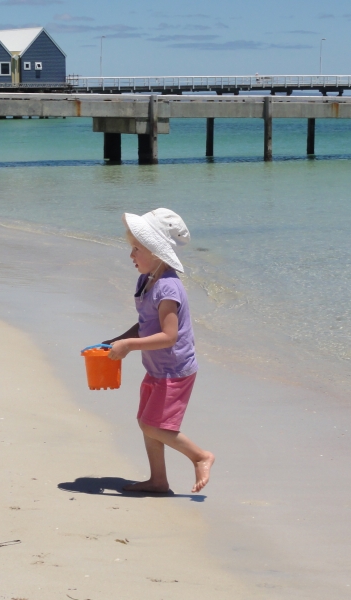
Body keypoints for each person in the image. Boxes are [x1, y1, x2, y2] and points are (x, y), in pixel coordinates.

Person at [104, 209, 214, 494]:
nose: (131, 255)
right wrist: (117, 340)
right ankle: (158, 480)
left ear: (156, 252)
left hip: (175, 369)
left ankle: (200, 456)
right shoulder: (146, 281)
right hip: (156, 367)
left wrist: (128, 346)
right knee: (147, 422)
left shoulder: (168, 287)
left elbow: (168, 335)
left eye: (136, 249)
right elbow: (145, 324)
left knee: (154, 425)